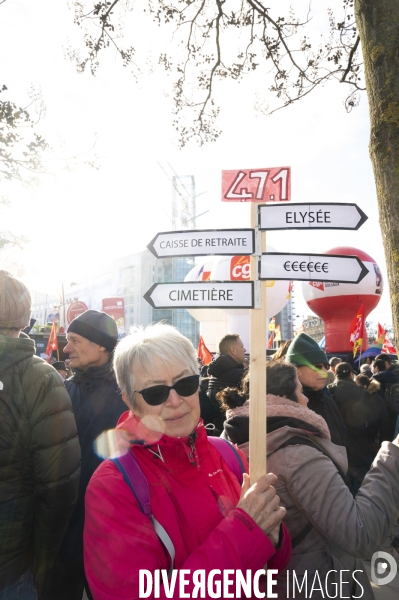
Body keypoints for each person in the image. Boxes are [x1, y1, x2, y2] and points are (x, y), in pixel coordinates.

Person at [84, 324, 291, 599]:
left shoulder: (228, 454)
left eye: (185, 383)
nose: (174, 400)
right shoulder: (113, 486)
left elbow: (272, 570)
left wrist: (274, 536)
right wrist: (246, 530)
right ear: (130, 402)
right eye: (155, 392)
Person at [221, 359, 399, 600]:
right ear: (283, 397)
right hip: (322, 583)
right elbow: (360, 534)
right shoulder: (297, 456)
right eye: (300, 392)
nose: (305, 400)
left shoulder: (236, 440)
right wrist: (392, 457)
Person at [0, 270, 80, 600]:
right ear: (24, 317)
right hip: (14, 567)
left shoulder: (41, 379)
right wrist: (42, 562)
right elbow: (59, 489)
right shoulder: (42, 378)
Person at [41, 310, 127, 600]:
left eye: (75, 340)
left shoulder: (128, 394)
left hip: (108, 523)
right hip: (63, 520)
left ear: (100, 345)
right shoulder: (65, 388)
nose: (66, 349)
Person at [328, 362, 390, 492]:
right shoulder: (364, 393)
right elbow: (378, 418)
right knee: (362, 487)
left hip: (334, 446)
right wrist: (370, 438)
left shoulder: (327, 393)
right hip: (361, 446)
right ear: (351, 375)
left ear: (335, 373)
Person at [285, 333, 347, 447]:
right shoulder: (285, 406)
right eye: (317, 366)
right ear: (295, 369)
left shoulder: (328, 400)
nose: (324, 371)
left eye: (326, 366)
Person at [206, 334, 247, 434]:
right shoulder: (241, 375)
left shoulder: (215, 374)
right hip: (234, 432)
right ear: (233, 350)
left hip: (218, 430)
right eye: (241, 347)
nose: (244, 350)